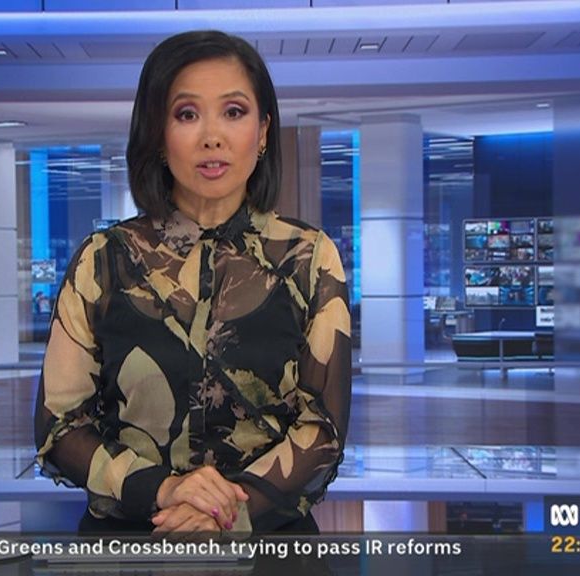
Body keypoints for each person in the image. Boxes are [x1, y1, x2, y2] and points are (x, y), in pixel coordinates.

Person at [34, 30, 351, 537]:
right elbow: (59, 429)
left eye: (234, 111)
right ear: (157, 134)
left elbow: (323, 431)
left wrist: (227, 513)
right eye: (187, 114)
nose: (212, 137)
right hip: (134, 540)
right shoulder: (103, 259)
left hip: (268, 543)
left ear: (263, 132)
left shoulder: (308, 258)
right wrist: (165, 491)